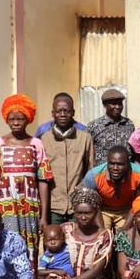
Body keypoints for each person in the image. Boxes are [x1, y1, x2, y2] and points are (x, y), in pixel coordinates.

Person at [0, 94, 53, 263]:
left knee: (30, 248)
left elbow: (43, 180)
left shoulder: (36, 143)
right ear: (6, 119)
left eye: (20, 119)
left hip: (30, 207)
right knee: (5, 246)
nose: (16, 123)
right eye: (12, 119)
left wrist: (44, 216)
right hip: (5, 206)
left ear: (28, 119)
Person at [41, 94, 95, 224]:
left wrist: (82, 191)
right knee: (54, 242)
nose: (63, 114)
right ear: (53, 113)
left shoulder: (85, 138)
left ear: (73, 113)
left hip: (77, 205)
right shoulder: (44, 139)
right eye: (59, 111)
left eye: (67, 111)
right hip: (54, 206)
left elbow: (90, 169)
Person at [82, 145, 140, 232]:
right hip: (102, 210)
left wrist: (125, 228)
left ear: (128, 163)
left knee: (125, 238)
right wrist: (103, 231)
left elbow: (137, 202)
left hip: (127, 210)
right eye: (112, 163)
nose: (115, 168)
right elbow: (93, 205)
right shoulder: (93, 176)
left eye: (120, 164)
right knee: (101, 237)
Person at [86, 88, 135, 166]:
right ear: (105, 105)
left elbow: (133, 150)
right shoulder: (94, 126)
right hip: (102, 173)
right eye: (114, 104)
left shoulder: (128, 124)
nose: (118, 107)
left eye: (120, 104)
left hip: (126, 172)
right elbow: (87, 152)